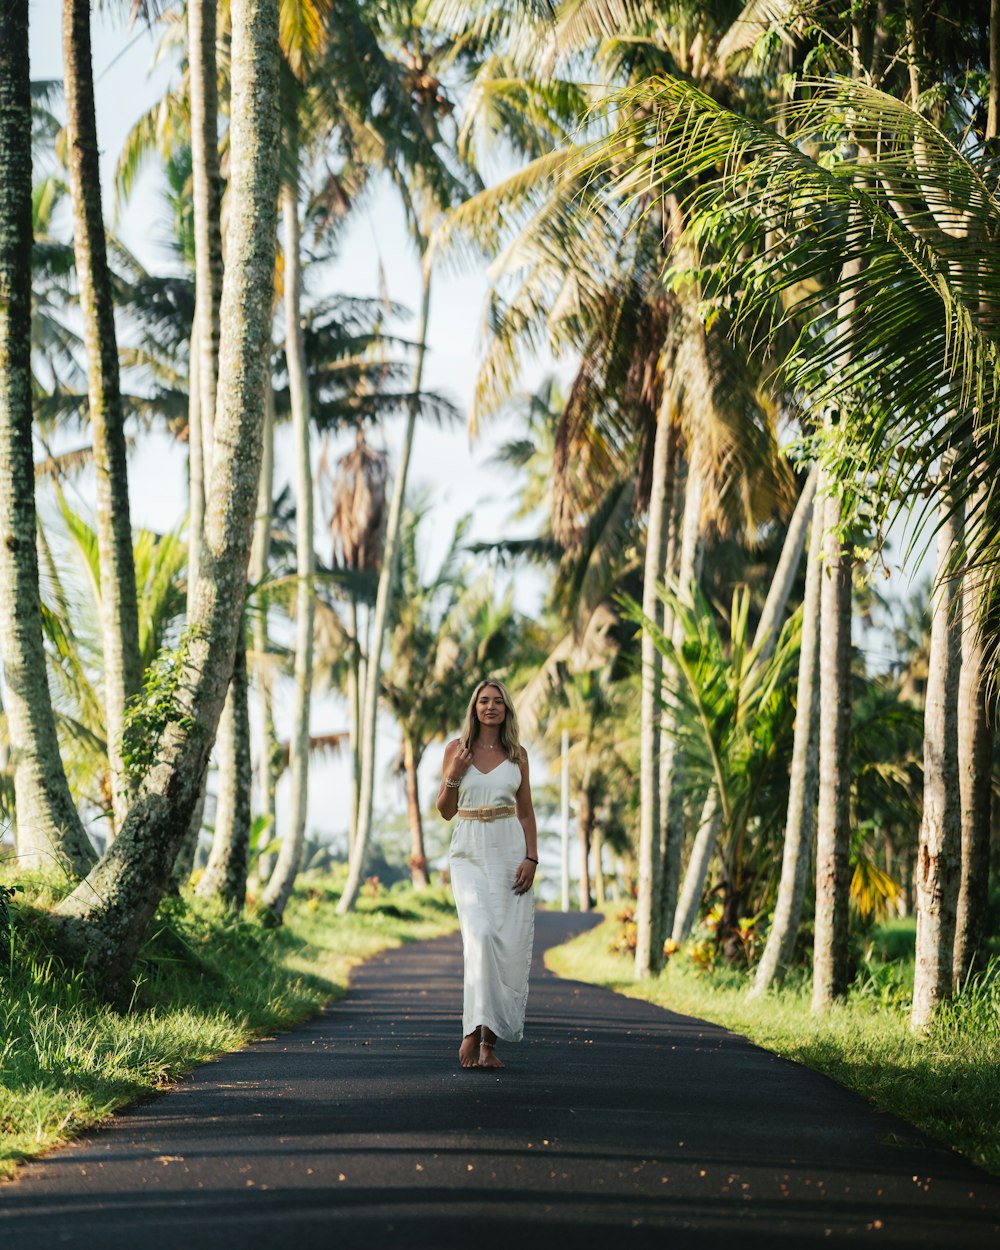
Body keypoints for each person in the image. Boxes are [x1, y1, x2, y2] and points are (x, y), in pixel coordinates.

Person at [436, 677, 538, 1070]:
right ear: (474, 708)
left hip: (509, 849)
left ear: (506, 709)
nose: (490, 706)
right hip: (468, 851)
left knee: (504, 945)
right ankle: (470, 1029)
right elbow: (445, 810)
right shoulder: (454, 750)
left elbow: (526, 812)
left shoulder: (518, 755)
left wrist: (532, 858)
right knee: (478, 935)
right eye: (483, 700)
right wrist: (455, 774)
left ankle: (488, 1045)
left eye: (497, 701)